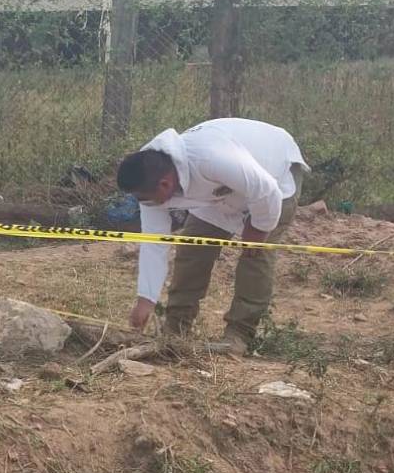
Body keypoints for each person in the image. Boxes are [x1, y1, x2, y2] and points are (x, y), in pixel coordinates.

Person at [117, 117, 309, 354]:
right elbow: (154, 244)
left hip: (275, 173)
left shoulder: (211, 157)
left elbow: (266, 189)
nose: (143, 204)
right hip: (221, 193)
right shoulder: (150, 186)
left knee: (254, 254)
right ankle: (175, 330)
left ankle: (239, 335)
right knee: (192, 249)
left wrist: (258, 228)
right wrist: (145, 299)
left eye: (145, 198)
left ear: (165, 185)